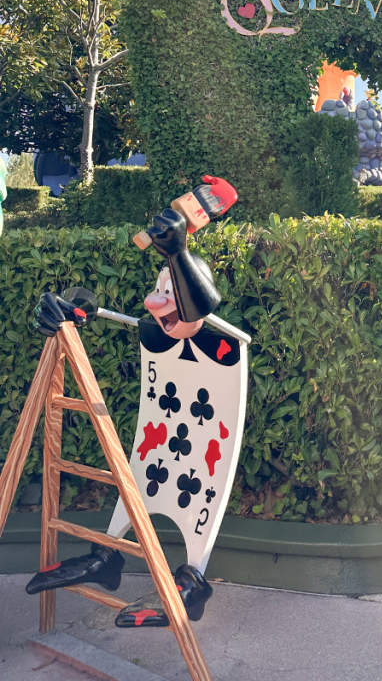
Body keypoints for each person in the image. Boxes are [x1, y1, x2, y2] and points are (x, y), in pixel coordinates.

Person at [27, 206, 247, 628]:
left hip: (205, 456)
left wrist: (179, 253)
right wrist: (72, 311)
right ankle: (107, 556)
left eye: (171, 288)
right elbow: (101, 314)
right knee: (138, 487)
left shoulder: (229, 343)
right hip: (158, 444)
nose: (156, 299)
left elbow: (200, 307)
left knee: (200, 509)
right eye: (159, 288)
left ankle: (192, 582)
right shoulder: (152, 334)